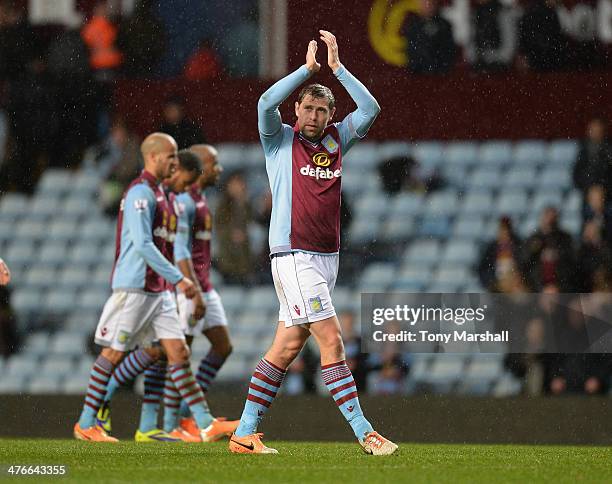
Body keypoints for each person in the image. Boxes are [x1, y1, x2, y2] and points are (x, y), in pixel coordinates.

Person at [228, 31, 397, 456]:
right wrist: (305, 71)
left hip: (326, 258)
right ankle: (365, 433)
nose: (315, 116)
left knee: (285, 348)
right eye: (308, 107)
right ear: (297, 109)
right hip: (294, 255)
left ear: (330, 114)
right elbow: (265, 103)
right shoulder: (278, 139)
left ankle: (244, 433)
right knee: (333, 340)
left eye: (323, 110)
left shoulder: (339, 139)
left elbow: (372, 109)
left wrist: (338, 70)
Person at [73, 133, 211, 443]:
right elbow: (143, 244)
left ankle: (201, 423)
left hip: (156, 289)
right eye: (172, 156)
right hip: (135, 286)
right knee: (112, 353)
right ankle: (86, 421)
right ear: (155, 157)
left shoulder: (159, 193)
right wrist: (181, 279)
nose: (175, 163)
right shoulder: (139, 193)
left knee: (175, 350)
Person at [172, 144, 239, 440]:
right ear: (198, 168)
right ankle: (172, 423)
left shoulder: (200, 200)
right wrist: (191, 289)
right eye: (214, 163)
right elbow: (179, 251)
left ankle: (187, 414)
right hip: (190, 288)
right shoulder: (185, 202)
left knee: (223, 347)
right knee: (179, 355)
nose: (219, 169)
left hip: (205, 286)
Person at [404, 0, 457, 74]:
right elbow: (411, 53)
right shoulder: (412, 25)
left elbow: (449, 52)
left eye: (431, 1)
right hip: (418, 76)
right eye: (425, 2)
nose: (428, 4)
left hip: (441, 76)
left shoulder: (444, 25)